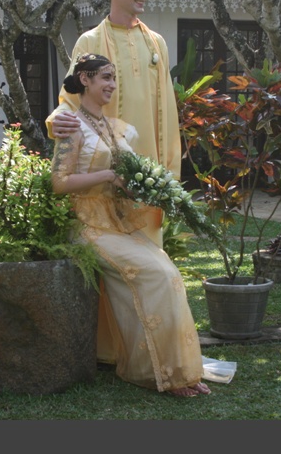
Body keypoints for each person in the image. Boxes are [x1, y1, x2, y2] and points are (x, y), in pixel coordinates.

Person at [51, 53, 211, 398]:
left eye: (113, 78)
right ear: (85, 80)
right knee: (152, 274)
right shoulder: (70, 126)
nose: (111, 85)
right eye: (104, 78)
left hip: (117, 221)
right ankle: (161, 374)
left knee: (167, 271)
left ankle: (181, 370)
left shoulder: (116, 127)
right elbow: (59, 183)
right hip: (86, 224)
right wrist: (110, 174)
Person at [46, 0, 181, 248]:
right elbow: (70, 96)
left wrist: (170, 168)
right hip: (109, 170)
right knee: (115, 257)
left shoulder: (157, 43)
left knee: (150, 251)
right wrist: (56, 120)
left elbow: (168, 106)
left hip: (149, 166)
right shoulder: (90, 40)